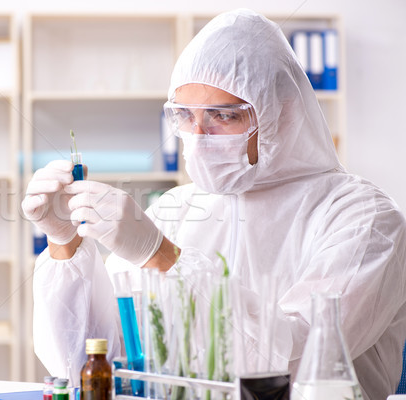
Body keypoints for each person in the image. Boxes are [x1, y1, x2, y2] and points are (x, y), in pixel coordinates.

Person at [22, 9, 406, 400]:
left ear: (283, 113)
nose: (199, 135)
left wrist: (164, 258)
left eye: (223, 115)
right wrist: (64, 243)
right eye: (185, 116)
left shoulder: (363, 219)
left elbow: (295, 361)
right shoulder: (174, 208)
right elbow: (89, 364)